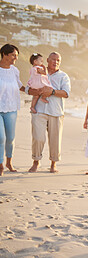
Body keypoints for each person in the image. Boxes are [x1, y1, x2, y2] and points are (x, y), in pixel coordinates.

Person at [25, 52, 71, 173]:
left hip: (56, 111)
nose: (55, 62)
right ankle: (36, 161)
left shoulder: (63, 76)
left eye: (58, 60)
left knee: (55, 140)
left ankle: (53, 163)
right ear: (47, 60)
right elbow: (28, 86)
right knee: (38, 137)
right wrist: (32, 91)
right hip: (39, 110)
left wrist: (52, 92)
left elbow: (66, 93)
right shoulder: (37, 71)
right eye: (53, 59)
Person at [0, 44, 23, 176]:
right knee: (0, 138)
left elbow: (19, 85)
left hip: (11, 108)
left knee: (10, 138)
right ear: (5, 54)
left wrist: (34, 90)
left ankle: (9, 162)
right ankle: (0, 164)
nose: (16, 58)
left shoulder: (14, 70)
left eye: (17, 56)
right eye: (14, 55)